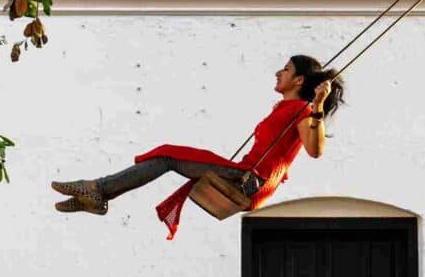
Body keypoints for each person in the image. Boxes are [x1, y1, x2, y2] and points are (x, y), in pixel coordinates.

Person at [51, 54, 345, 238]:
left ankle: (98, 189)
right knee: (167, 157)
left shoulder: (303, 112)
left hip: (248, 180)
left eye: (285, 69)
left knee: (168, 155)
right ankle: (98, 192)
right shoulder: (284, 109)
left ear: (299, 80)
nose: (278, 73)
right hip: (244, 175)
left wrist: (317, 104)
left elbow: (315, 150)